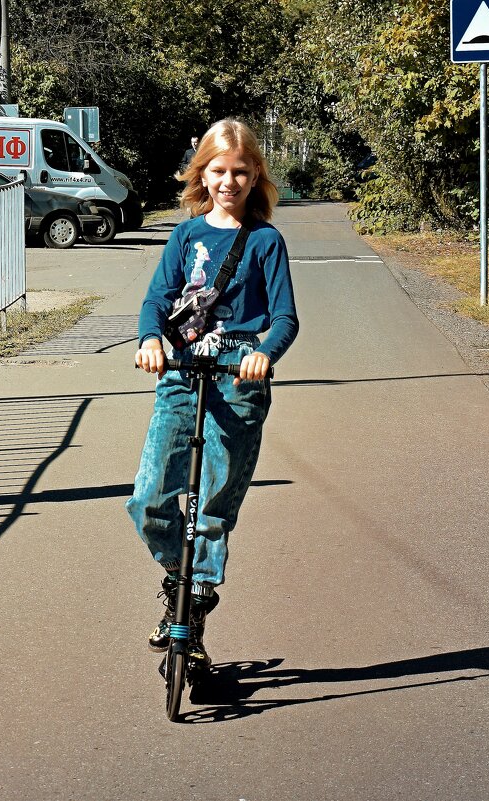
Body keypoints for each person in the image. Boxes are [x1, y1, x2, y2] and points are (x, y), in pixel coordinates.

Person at [126, 119, 299, 672]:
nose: (229, 182)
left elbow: (285, 318)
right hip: (181, 373)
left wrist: (264, 353)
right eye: (219, 172)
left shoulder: (267, 241)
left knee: (212, 508)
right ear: (203, 174)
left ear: (255, 178)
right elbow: (156, 301)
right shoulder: (186, 235)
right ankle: (180, 578)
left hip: (239, 380)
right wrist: (151, 338)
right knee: (150, 499)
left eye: (240, 173)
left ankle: (192, 608)